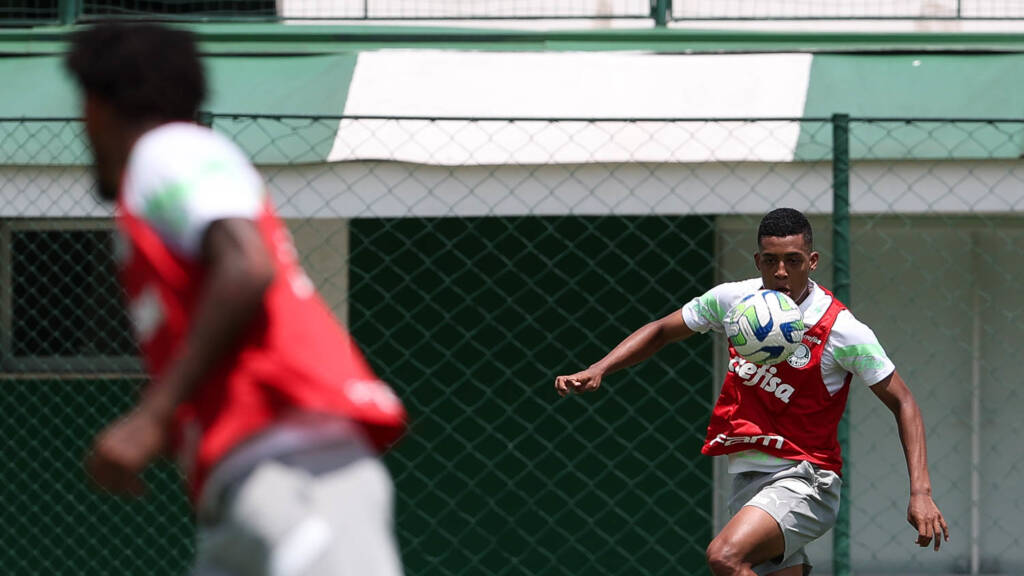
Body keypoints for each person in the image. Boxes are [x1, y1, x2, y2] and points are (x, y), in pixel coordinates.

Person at [67, 22, 407, 576]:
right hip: (244, 485)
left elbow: (247, 264)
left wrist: (153, 415)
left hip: (298, 467)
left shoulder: (168, 149)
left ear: (94, 109)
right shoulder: (163, 175)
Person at [554, 208, 949, 576]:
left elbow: (903, 401)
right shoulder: (734, 301)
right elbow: (661, 331)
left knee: (725, 556)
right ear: (758, 260)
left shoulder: (842, 330)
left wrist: (921, 491)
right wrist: (599, 367)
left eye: (793, 260)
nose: (781, 272)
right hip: (747, 478)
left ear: (812, 261)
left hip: (806, 478)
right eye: (771, 260)